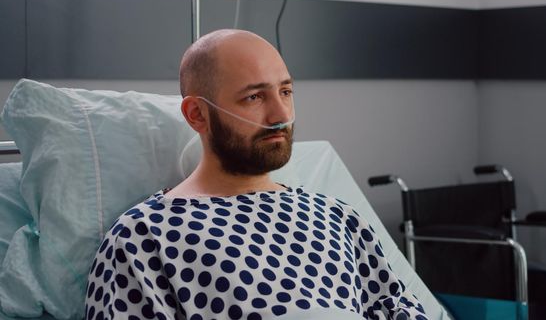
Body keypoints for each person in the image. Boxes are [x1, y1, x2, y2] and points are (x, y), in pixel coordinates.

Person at [85, 29, 428, 320]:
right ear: (197, 115)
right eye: (254, 97)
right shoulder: (145, 236)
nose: (280, 114)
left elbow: (398, 308)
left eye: (286, 91)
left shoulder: (335, 216)